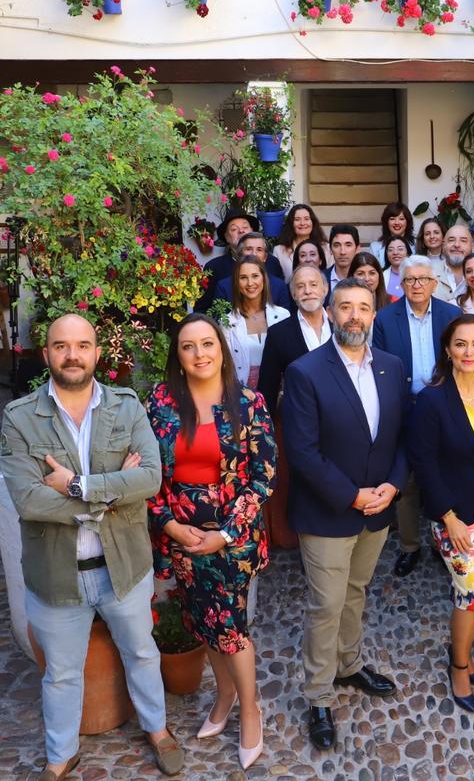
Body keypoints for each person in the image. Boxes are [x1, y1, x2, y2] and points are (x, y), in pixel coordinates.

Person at [0, 313, 183, 780]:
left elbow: (149, 478)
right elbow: (27, 499)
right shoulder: (20, 417)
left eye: (82, 345)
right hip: (56, 572)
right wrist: (108, 497)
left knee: (142, 653)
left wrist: (76, 486)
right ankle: (60, 755)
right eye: (62, 346)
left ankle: (157, 730)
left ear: (98, 353)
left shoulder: (126, 407)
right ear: (47, 355)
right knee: (60, 673)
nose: (72, 355)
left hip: (123, 566)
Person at [281, 279, 410, 751]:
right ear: (331, 313)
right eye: (346, 307)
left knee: (356, 592)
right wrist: (352, 495)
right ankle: (318, 695)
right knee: (326, 604)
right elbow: (302, 451)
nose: (355, 315)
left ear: (375, 314)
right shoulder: (305, 372)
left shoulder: (393, 369)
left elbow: (402, 437)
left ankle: (349, 665)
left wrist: (393, 487)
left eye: (364, 308)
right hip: (328, 512)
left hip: (377, 510)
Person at [146, 314, 275, 771]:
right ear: (177, 356)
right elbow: (147, 473)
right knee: (205, 624)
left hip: (230, 541)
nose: (200, 354)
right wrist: (170, 525)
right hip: (181, 538)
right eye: (188, 346)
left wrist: (223, 534)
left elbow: (263, 478)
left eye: (207, 344)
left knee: (232, 631)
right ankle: (223, 697)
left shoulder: (248, 402)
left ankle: (251, 710)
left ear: (222, 350)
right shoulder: (159, 403)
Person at [409, 315, 474, 713]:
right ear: (448, 349)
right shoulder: (431, 398)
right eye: (461, 344)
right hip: (456, 513)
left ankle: (463, 652)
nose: (469, 352)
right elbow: (423, 461)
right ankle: (459, 666)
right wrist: (448, 517)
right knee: (471, 593)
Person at [371, 254, 462, 576]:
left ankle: (442, 542)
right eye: (410, 280)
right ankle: (410, 545)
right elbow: (379, 366)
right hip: (404, 409)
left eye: (424, 279)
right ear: (401, 283)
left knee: (442, 477)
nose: (417, 285)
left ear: (435, 283)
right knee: (406, 482)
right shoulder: (384, 318)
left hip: (444, 408)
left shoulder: (452, 315)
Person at [258, 265, 332, 415]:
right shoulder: (278, 334)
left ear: (325, 289)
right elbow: (268, 389)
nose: (308, 291)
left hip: (342, 420)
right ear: (293, 294)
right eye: (300, 286)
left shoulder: (341, 327)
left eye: (313, 284)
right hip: (300, 422)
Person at [221, 256, 291, 390]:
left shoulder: (283, 315)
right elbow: (226, 366)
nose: (250, 283)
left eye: (255, 276)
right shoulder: (227, 322)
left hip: (280, 391)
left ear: (263, 279)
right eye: (243, 278)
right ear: (236, 282)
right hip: (242, 393)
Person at [196, 208, 259, 314]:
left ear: (252, 231)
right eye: (234, 229)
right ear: (226, 237)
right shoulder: (213, 268)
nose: (241, 231)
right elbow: (202, 309)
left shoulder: (270, 262)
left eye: (245, 227)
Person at [216, 232, 292, 311]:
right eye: (249, 249)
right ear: (239, 254)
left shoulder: (279, 286)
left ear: (265, 257)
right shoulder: (224, 287)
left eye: (259, 250)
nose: (254, 254)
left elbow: (286, 320)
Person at [273, 204, 328, 278]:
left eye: (306, 219)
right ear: (291, 224)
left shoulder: (326, 249)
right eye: (297, 219)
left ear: (312, 222)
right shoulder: (279, 251)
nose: (302, 223)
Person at [435, 223, 474, 303]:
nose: (457, 245)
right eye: (451, 240)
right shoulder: (428, 274)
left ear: (472, 246)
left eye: (463, 241)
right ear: (443, 245)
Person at [367, 202, 415, 266]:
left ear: (407, 222)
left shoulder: (417, 244)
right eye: (392, 219)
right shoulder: (375, 247)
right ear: (386, 222)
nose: (397, 223)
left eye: (401, 219)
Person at [325, 225, 360, 294]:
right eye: (337, 245)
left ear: (357, 249)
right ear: (330, 249)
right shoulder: (320, 278)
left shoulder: (365, 279)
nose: (342, 252)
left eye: (348, 245)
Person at [383, 236, 411, 301]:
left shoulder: (417, 274)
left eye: (400, 249)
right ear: (386, 254)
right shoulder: (381, 276)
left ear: (408, 253)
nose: (395, 253)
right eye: (391, 250)